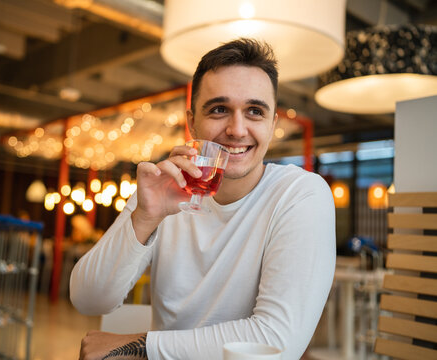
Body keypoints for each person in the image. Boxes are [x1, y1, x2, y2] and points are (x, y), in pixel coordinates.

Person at [70, 38, 336, 360]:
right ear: (192, 121)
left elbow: (275, 342)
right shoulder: (165, 187)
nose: (237, 130)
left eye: (255, 111)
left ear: (272, 124)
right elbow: (88, 300)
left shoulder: (301, 194)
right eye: (219, 109)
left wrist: (139, 347)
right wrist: (145, 216)